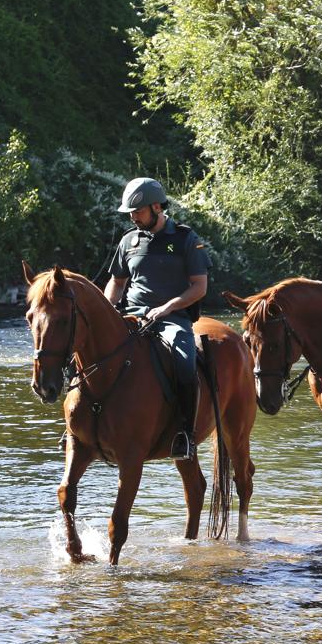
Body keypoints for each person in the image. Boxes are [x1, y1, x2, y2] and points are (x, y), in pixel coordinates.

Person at [104, 177, 210, 461]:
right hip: (131, 316)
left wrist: (166, 308)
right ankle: (82, 427)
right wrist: (106, 309)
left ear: (155, 207)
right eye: (130, 213)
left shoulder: (186, 239)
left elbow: (199, 287)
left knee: (185, 361)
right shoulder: (129, 241)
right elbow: (116, 282)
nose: (132, 217)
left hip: (171, 319)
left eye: (137, 212)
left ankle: (186, 433)